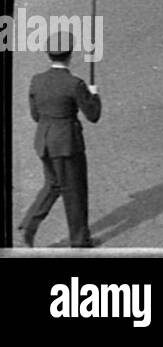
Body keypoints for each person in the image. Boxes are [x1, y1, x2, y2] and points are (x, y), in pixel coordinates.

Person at [17, 33, 102, 248]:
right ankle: (80, 240)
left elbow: (35, 115)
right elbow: (93, 115)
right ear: (70, 55)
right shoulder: (74, 84)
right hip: (67, 144)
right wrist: (94, 95)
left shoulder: (37, 80)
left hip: (44, 140)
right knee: (74, 191)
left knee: (53, 184)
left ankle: (29, 224)